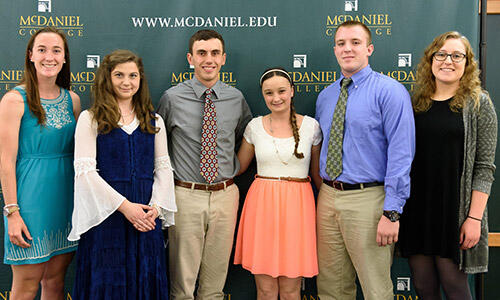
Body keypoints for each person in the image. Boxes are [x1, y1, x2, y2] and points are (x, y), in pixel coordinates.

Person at [314, 20, 415, 300]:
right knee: (331, 287)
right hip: (328, 196)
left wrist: (392, 211)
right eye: (341, 43)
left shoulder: (390, 91)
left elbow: (401, 154)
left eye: (355, 43)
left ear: (369, 48)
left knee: (376, 289)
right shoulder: (326, 96)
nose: (348, 49)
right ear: (335, 49)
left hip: (369, 200)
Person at [68, 49, 176, 299]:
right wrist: (126, 207)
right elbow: (85, 173)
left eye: (133, 75)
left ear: (140, 79)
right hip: (106, 218)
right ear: (107, 78)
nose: (127, 82)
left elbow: (162, 168)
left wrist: (156, 209)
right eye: (119, 75)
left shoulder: (154, 120)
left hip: (145, 220)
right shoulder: (90, 118)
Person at [398, 31, 497, 299]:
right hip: (417, 208)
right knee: (423, 286)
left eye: (456, 55)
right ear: (430, 60)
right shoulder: (413, 103)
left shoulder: (479, 104)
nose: (447, 61)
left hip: (454, 211)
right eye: (441, 54)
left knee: (455, 288)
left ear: (467, 63)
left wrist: (474, 219)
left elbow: (485, 168)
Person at [156, 29, 252, 300]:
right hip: (186, 195)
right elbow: (159, 148)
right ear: (191, 58)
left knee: (215, 282)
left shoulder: (236, 99)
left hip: (226, 195)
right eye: (201, 53)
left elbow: (242, 139)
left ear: (223, 58)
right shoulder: (172, 98)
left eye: (214, 53)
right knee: (182, 283)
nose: (208, 59)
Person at [0, 27, 80, 300]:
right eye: (42, 50)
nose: (49, 57)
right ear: (30, 55)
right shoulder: (14, 100)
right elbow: (6, 162)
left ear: (65, 58)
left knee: (56, 282)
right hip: (29, 203)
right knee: (25, 287)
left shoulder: (73, 101)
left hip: (66, 202)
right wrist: (12, 213)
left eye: (56, 50)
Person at [233, 67, 321, 300]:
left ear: (292, 91)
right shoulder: (254, 126)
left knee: (292, 290)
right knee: (266, 290)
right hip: (261, 208)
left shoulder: (311, 126)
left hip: (298, 209)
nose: (276, 98)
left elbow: (319, 176)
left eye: (282, 91)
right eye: (269, 93)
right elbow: (238, 167)